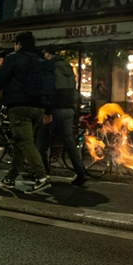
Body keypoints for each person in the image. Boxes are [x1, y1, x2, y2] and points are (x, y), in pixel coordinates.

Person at [0, 31, 54, 194]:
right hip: (39, 107)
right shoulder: (43, 61)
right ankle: (11, 177)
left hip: (19, 106)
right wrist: (48, 109)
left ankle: (41, 177)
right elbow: (49, 87)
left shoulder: (13, 58)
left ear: (19, 44)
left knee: (25, 141)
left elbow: (0, 79)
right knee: (20, 142)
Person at [36, 44, 88, 187]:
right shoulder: (68, 68)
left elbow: (48, 90)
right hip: (68, 109)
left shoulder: (49, 66)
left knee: (41, 140)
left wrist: (47, 111)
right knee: (69, 141)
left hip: (54, 108)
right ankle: (81, 172)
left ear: (47, 54)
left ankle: (43, 173)